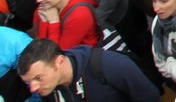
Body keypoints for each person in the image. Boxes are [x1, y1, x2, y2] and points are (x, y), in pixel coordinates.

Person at [17, 37, 161, 102]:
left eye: (38, 78)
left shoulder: (110, 65)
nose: (33, 88)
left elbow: (150, 96)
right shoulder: (48, 88)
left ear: (59, 62)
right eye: (28, 82)